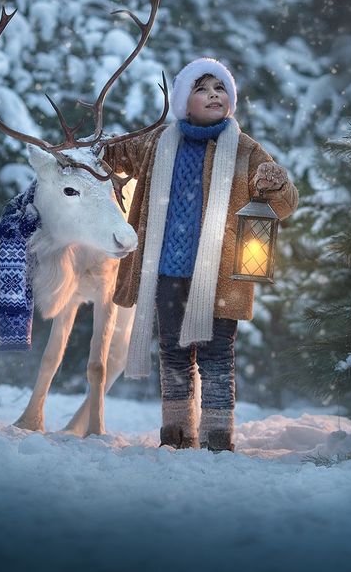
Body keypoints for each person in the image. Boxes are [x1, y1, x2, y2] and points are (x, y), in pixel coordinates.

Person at [105, 58, 298, 452]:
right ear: (182, 102)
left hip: (222, 274)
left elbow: (286, 202)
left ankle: (216, 435)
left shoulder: (245, 150)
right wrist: (85, 150)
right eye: (202, 89)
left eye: (220, 88)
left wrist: (275, 184)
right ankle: (176, 432)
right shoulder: (156, 142)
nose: (213, 95)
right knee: (174, 351)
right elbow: (109, 155)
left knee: (216, 355)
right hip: (167, 270)